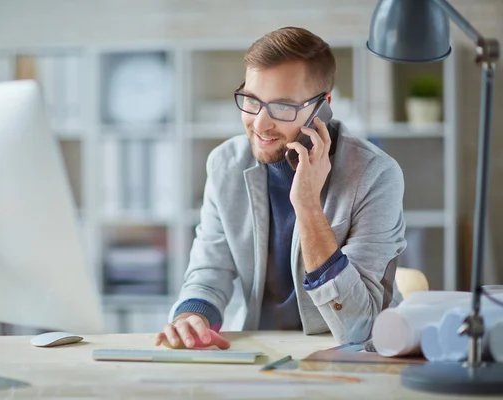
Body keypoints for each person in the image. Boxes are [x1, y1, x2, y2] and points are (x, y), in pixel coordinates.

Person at [155, 26, 406, 349]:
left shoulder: (376, 175)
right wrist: (193, 315)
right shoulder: (225, 164)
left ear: (323, 108)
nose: (259, 124)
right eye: (251, 100)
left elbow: (359, 326)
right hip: (262, 352)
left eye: (283, 107)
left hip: (351, 353)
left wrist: (308, 207)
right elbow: (209, 271)